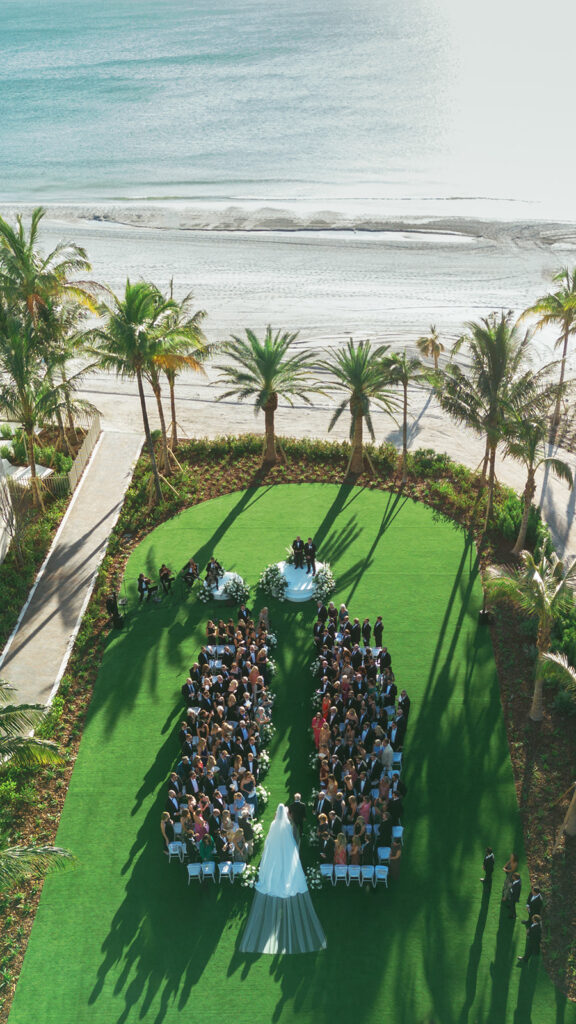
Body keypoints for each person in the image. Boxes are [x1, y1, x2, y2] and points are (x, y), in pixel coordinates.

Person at [239, 804, 326, 954]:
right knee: (284, 867)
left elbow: (270, 840)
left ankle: (276, 878)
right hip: (284, 852)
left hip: (275, 852)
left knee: (275, 869)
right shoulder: (287, 824)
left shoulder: (274, 824)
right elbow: (291, 841)